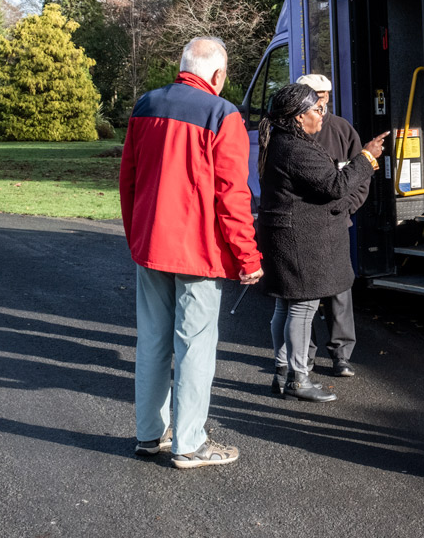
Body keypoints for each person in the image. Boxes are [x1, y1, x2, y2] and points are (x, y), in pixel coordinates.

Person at [120, 36, 264, 470]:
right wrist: (248, 257)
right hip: (198, 251)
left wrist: (136, 237)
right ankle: (189, 443)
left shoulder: (146, 105)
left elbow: (128, 178)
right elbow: (233, 196)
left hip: (151, 245)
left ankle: (149, 434)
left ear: (183, 65)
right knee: (195, 346)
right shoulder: (223, 114)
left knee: (153, 342)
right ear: (217, 75)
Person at [257, 83, 388, 402]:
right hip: (299, 239)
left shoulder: (281, 140)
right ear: (299, 117)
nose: (323, 114)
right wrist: (367, 157)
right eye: (317, 109)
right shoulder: (296, 148)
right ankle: (299, 379)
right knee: (302, 307)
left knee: (284, 306)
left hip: (284, 234)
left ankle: (282, 372)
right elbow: (336, 185)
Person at [296, 74, 367, 378]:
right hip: (302, 226)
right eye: (315, 95)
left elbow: (362, 173)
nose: (321, 101)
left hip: (337, 223)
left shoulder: (341, 129)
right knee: (304, 295)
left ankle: (342, 356)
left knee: (340, 289)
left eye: (324, 95)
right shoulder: (291, 132)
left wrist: (347, 207)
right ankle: (304, 358)